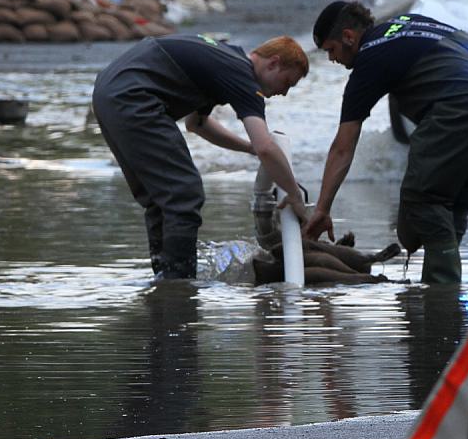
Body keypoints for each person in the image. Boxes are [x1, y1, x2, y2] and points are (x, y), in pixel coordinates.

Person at [303, 2, 468, 284]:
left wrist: (322, 209)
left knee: (423, 202)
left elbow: (343, 147)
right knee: (452, 206)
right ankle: (450, 306)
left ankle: (439, 298)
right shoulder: (405, 23)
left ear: (349, 37)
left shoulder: (370, 59)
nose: (331, 59)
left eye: (331, 50)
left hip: (465, 101)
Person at [92, 34, 309, 280]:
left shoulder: (226, 59)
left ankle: (164, 283)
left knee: (159, 199)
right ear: (273, 63)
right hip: (133, 96)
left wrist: (248, 148)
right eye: (288, 82)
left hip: (109, 91)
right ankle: (180, 286)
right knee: (184, 193)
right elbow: (267, 147)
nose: (284, 92)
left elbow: (197, 124)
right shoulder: (243, 76)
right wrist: (294, 193)